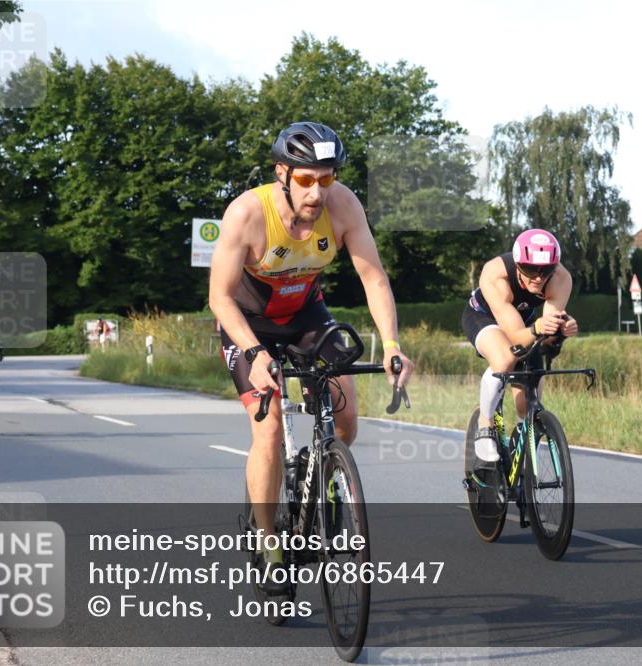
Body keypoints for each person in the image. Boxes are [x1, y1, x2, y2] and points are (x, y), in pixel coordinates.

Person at [208, 121, 413, 591]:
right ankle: (267, 542)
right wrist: (255, 352)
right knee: (271, 426)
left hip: (305, 315)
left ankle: (322, 472)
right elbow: (219, 296)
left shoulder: (343, 206)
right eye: (306, 179)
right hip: (248, 323)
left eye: (327, 178)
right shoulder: (247, 214)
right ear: (282, 172)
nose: (318, 192)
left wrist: (394, 345)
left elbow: (373, 277)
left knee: (346, 421)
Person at [461, 229, 579, 462]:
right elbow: (516, 337)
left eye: (545, 270)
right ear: (517, 265)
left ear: (554, 267)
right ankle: (485, 425)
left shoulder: (561, 279)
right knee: (505, 359)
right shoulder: (496, 274)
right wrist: (538, 329)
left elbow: (545, 337)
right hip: (484, 317)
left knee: (528, 403)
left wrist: (560, 331)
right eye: (530, 270)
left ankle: (520, 465)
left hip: (525, 321)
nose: (538, 277)